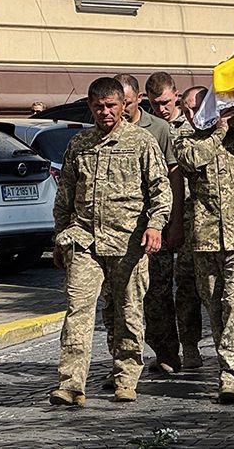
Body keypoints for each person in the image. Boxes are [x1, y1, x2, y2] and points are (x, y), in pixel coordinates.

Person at [49, 77, 170, 407]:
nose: (105, 112)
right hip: (84, 241)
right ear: (90, 107)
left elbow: (161, 191)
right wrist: (61, 237)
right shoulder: (79, 144)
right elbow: (65, 196)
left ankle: (126, 377)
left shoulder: (142, 141)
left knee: (127, 313)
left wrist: (155, 227)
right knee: (78, 312)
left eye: (111, 106)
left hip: (128, 243)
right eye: (99, 106)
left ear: (124, 106)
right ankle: (71, 384)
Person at [175, 88, 234, 403]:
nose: (189, 114)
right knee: (215, 307)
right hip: (206, 240)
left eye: (195, 107)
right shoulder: (186, 139)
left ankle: (230, 376)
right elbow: (191, 160)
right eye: (185, 109)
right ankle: (232, 365)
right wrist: (219, 133)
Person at [111, 74, 184, 375]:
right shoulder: (105, 130)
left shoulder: (159, 129)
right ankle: (123, 362)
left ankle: (167, 353)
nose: (121, 110)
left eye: (126, 103)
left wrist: (174, 222)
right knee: (120, 298)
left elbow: (173, 177)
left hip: (154, 225)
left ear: (137, 98)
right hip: (118, 230)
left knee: (157, 293)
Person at [143, 72, 207, 371]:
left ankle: (192, 345)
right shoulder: (152, 128)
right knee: (164, 288)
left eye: (167, 102)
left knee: (190, 288)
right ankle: (172, 349)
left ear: (177, 96)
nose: (162, 109)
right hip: (164, 219)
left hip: (195, 218)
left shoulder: (195, 124)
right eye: (156, 104)